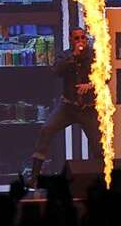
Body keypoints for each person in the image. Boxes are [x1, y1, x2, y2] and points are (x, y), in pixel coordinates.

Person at [28, 27, 102, 186]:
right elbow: (56, 71)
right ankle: (34, 176)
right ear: (71, 40)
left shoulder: (94, 55)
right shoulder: (65, 55)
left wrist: (90, 85)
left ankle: (103, 179)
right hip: (67, 107)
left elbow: (105, 76)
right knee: (46, 130)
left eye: (83, 37)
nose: (81, 41)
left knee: (98, 145)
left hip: (88, 108)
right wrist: (73, 56)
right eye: (77, 38)